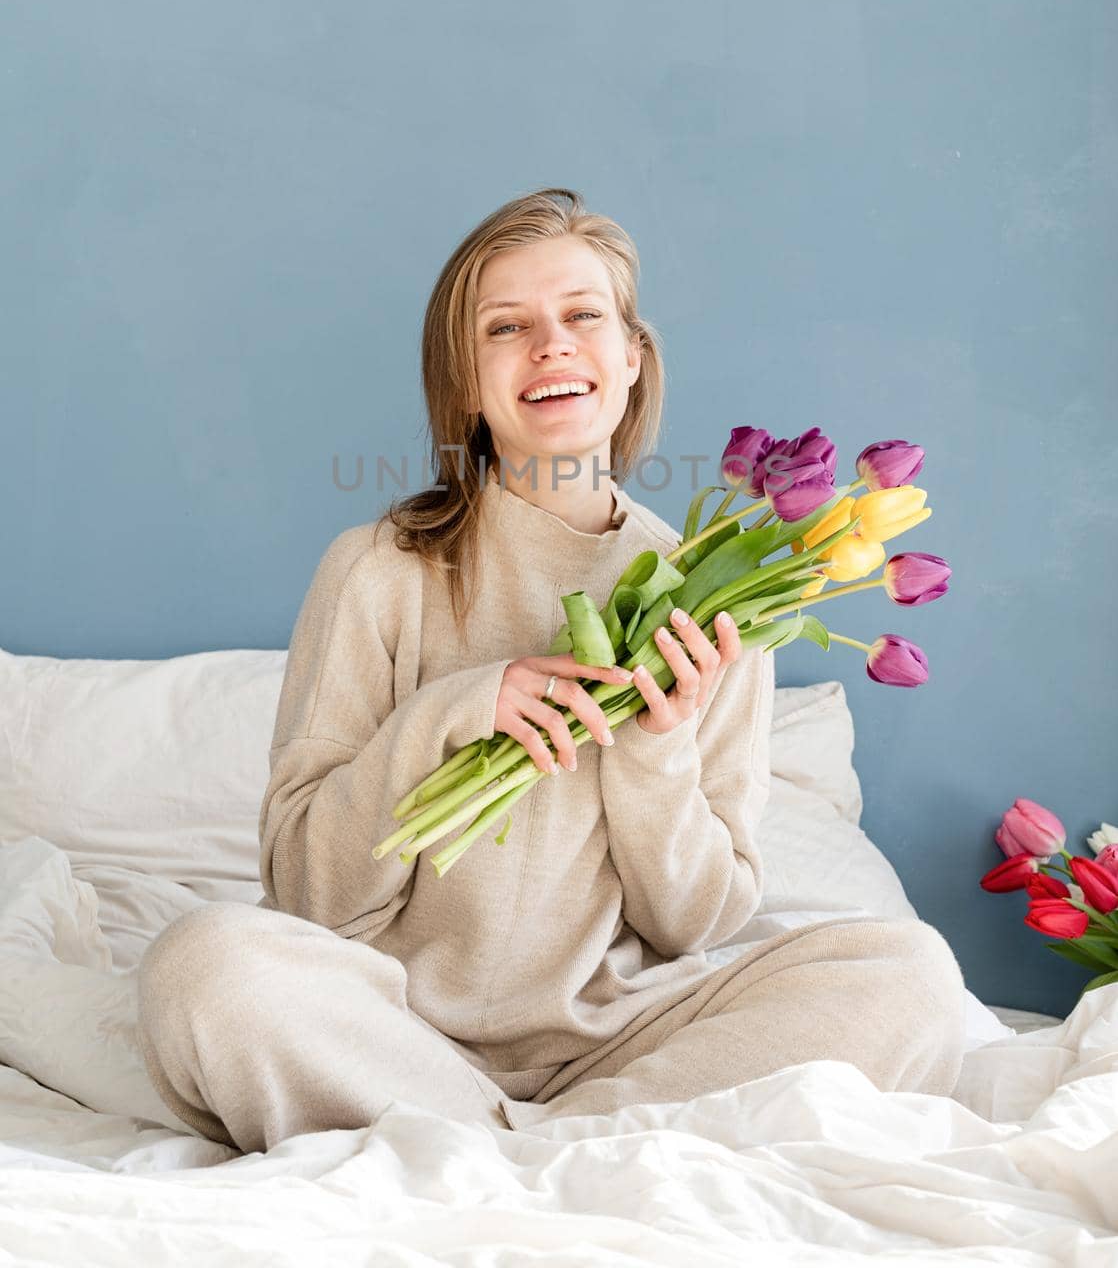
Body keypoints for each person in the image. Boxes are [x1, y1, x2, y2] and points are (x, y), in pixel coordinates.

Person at [136, 188, 967, 1153]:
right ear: (464, 385)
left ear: (630, 360)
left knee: (908, 974)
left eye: (583, 317)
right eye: (508, 327)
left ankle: (514, 1146)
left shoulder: (720, 605)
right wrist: (451, 715)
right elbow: (311, 896)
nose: (553, 345)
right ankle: (568, 1153)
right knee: (206, 963)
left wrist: (655, 753)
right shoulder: (377, 571)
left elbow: (696, 923)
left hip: (617, 1039)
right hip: (385, 1026)